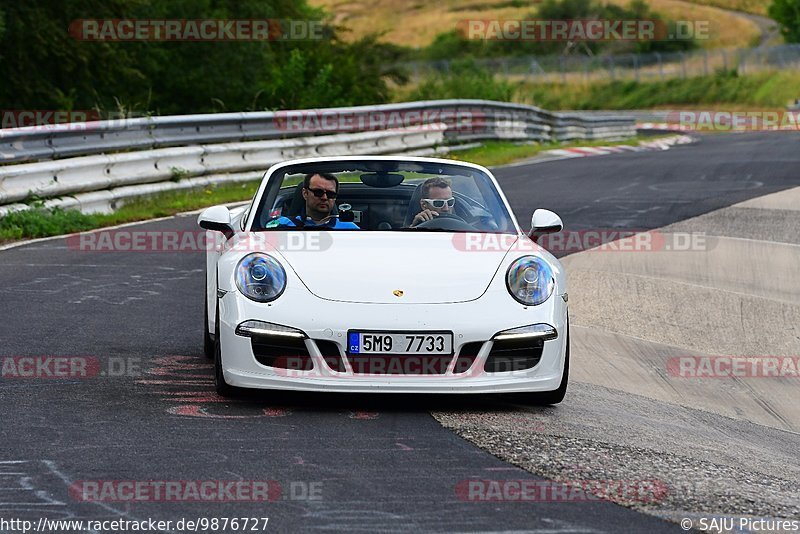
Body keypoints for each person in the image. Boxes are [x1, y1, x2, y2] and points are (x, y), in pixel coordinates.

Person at [268, 172, 360, 229]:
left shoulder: (350, 228)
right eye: (318, 192)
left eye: (330, 194)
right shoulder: (282, 225)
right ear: (305, 193)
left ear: (335, 197)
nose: (324, 197)